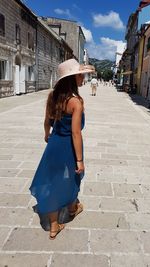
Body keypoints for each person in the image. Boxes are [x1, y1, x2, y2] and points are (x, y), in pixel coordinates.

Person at [29, 59, 95, 240]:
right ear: (73, 78)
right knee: (73, 176)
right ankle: (73, 208)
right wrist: (80, 160)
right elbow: (76, 133)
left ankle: (54, 226)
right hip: (68, 147)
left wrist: (46, 135)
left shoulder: (52, 96)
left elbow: (46, 122)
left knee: (51, 181)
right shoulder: (76, 102)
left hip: (53, 145)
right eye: (80, 75)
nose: (83, 78)